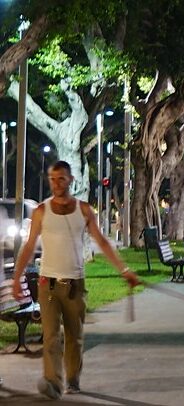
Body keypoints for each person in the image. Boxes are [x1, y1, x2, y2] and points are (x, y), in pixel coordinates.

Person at [11, 161, 140, 400]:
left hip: (75, 285)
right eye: (52, 178)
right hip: (47, 283)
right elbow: (29, 246)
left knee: (74, 336)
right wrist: (17, 279)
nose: (56, 183)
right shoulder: (41, 210)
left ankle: (72, 380)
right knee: (50, 336)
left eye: (61, 178)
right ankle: (52, 382)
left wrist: (125, 270)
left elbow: (101, 242)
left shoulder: (83, 210)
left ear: (70, 180)